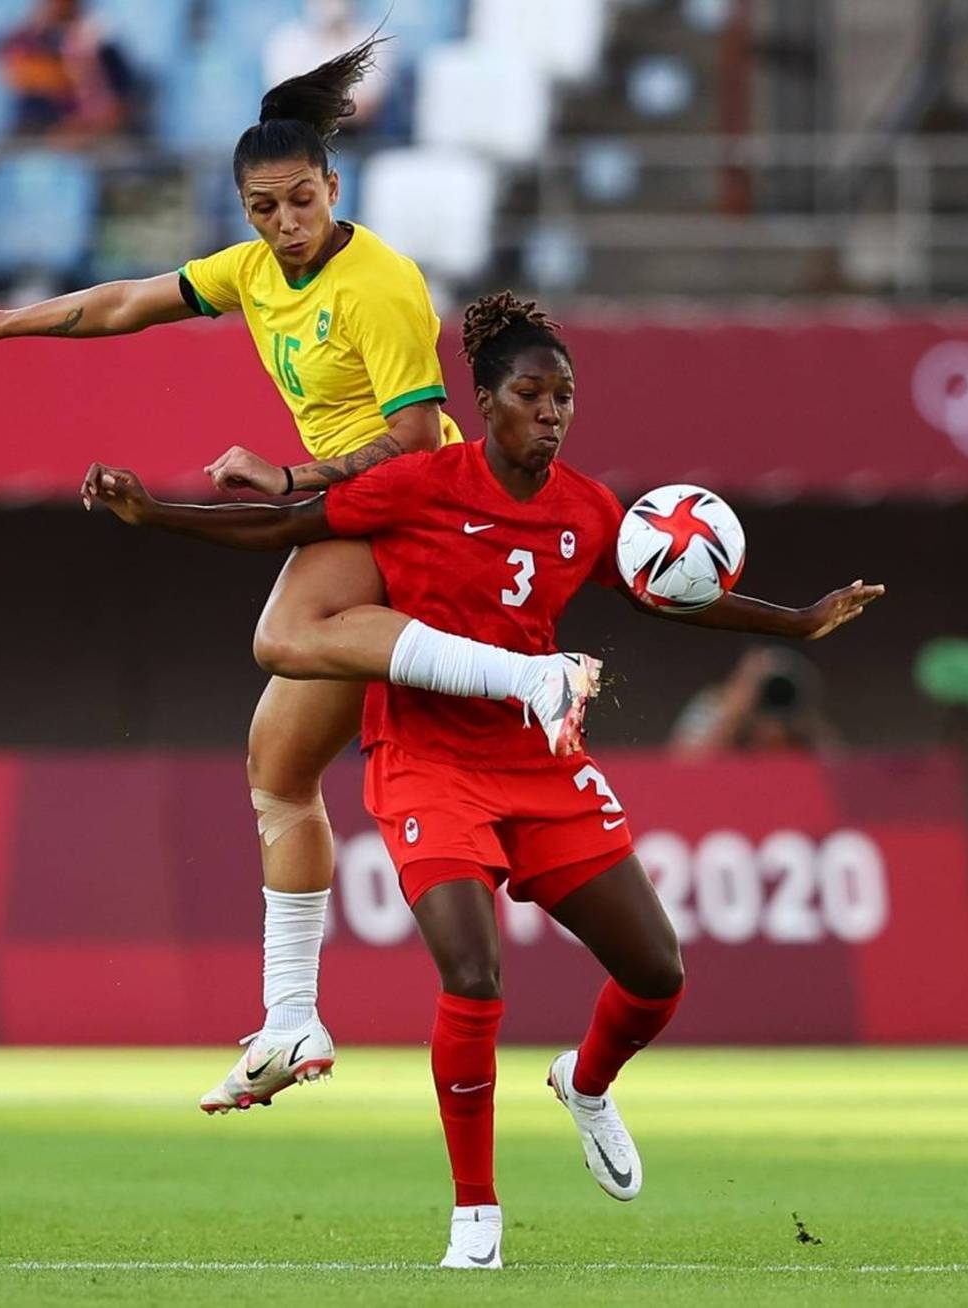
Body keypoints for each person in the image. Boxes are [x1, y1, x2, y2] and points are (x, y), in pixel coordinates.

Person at [78, 292, 885, 1267]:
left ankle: (584, 1085)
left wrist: (797, 622)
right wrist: (153, 513)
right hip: (427, 765)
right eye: (533, 395)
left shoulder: (588, 508)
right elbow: (288, 525)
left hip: (536, 763)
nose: (552, 413)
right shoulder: (421, 484)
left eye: (565, 398)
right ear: (487, 401)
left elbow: (667, 594)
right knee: (473, 973)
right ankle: (476, 1219)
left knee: (658, 974)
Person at [0, 41, 603, 1115]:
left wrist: (291, 473)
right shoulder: (250, 272)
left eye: (300, 201)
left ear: (336, 189)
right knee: (278, 776)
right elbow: (125, 303)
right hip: (342, 506)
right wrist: (0, 325)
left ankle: (528, 681)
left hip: (408, 509)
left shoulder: (377, 282)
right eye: (262, 207)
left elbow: (421, 444)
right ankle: (291, 1020)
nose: (284, 223)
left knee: (283, 632)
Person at [0, 0, 133, 141]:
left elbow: (121, 109)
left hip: (93, 141)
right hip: (34, 136)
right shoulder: (26, 45)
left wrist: (86, 131)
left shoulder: (103, 49)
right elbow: (11, 71)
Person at [669, 646, 841, 757]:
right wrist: (736, 708)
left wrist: (804, 727)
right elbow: (683, 768)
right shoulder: (717, 707)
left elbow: (839, 773)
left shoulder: (805, 738)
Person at [263, 0, 392, 133]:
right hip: (298, 139)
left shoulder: (374, 39)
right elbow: (281, 103)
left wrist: (306, 103)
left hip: (358, 142)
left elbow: (365, 109)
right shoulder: (286, 40)